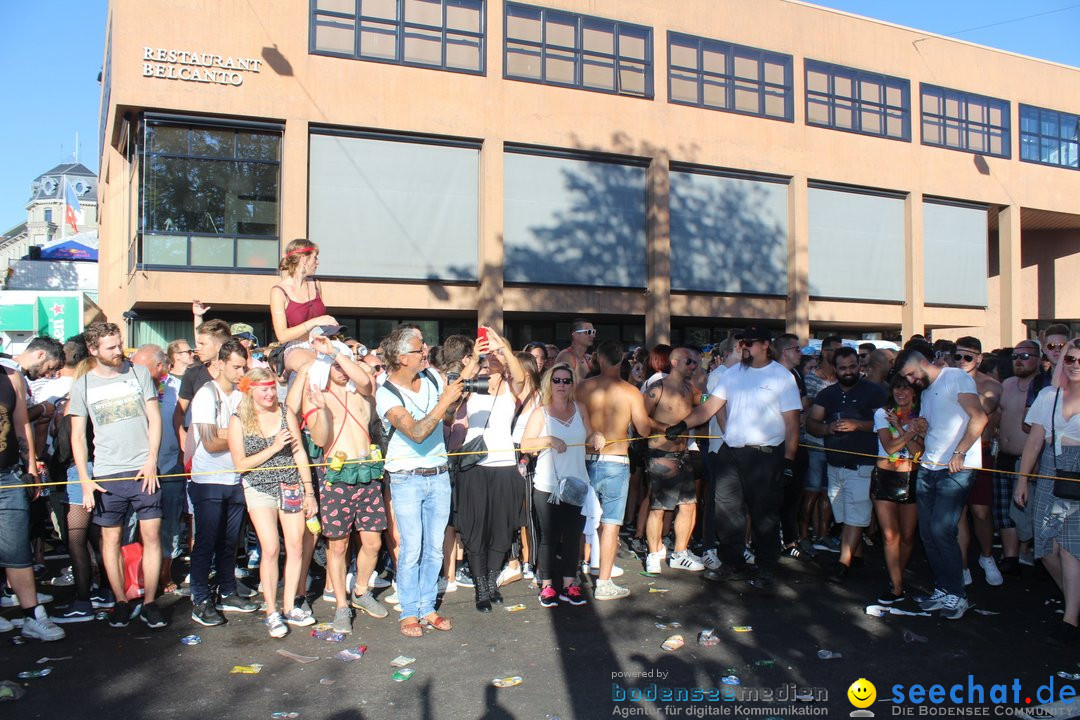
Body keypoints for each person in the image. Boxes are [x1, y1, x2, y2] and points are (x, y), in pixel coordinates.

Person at [668, 328, 800, 590]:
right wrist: (682, 424)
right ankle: (734, 562)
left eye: (749, 343)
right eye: (742, 343)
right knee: (726, 510)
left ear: (765, 344)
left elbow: (793, 424)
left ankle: (765, 569)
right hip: (731, 452)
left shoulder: (782, 376)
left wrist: (788, 462)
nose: (744, 347)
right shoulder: (732, 374)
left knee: (764, 515)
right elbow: (708, 408)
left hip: (766, 455)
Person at [69, 322, 166, 629]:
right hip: (107, 473)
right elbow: (77, 436)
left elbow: (154, 418)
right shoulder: (82, 384)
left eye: (119, 343)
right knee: (110, 540)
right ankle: (120, 601)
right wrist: (85, 477)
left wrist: (152, 460)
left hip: (144, 471)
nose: (118, 351)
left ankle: (150, 602)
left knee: (151, 536)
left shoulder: (138, 373)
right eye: (110, 347)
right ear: (93, 350)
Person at [376, 325, 463, 637]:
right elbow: (415, 431)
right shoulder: (386, 393)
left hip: (439, 474)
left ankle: (427, 607)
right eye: (418, 348)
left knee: (435, 548)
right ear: (402, 358)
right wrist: (444, 403)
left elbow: (447, 416)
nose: (425, 349)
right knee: (411, 548)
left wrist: (452, 398)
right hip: (406, 479)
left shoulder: (431, 378)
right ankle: (409, 611)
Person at [303, 337, 389, 634]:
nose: (340, 369)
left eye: (343, 363)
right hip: (338, 476)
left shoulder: (362, 392)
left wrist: (337, 353)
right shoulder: (318, 395)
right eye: (334, 365)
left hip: (367, 472)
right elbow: (319, 439)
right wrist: (321, 410)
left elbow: (365, 380)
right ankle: (341, 605)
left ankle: (362, 591)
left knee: (373, 542)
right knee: (337, 546)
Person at [897, 345, 988, 620]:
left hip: (955, 468)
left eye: (912, 374)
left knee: (941, 531)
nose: (911, 381)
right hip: (929, 466)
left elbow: (980, 417)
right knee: (928, 533)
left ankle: (957, 595)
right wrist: (924, 427)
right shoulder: (927, 391)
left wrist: (960, 452)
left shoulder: (955, 378)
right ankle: (943, 589)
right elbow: (940, 426)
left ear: (923, 362)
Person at [228, 367, 318, 638]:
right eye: (263, 389)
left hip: (290, 483)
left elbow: (300, 452)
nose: (270, 394)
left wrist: (309, 491)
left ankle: (290, 606)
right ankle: (271, 611)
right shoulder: (239, 420)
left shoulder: (285, 411)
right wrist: (274, 446)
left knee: (296, 545)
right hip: (258, 486)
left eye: (271, 388)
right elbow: (241, 465)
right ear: (250, 390)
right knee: (270, 547)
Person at [449, 327, 527, 612]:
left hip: (505, 466)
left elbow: (520, 376)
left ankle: (492, 580)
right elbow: (452, 392)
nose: (491, 357)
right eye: (488, 353)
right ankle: (480, 586)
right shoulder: (471, 383)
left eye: (496, 353)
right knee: (474, 529)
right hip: (474, 467)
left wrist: (503, 348)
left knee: (502, 529)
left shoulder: (510, 385)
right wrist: (475, 360)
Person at [1014, 338, 1080, 647]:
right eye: (1070, 359)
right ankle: (1074, 600)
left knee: (1069, 547)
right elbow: (1034, 442)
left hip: (1078, 474)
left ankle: (1070, 619)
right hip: (1051, 472)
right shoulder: (1048, 395)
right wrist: (1022, 481)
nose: (1075, 365)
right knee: (1046, 548)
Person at [521, 363, 604, 607]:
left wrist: (597, 436)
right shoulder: (540, 413)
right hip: (548, 485)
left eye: (566, 381)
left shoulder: (580, 408)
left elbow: (589, 437)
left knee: (572, 536)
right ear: (549, 383)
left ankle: (570, 584)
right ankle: (547, 585)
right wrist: (548, 439)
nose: (561, 385)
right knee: (549, 537)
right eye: (557, 380)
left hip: (577, 484)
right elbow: (526, 445)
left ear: (572, 384)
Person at [576, 340, 655, 598]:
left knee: (581, 519)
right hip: (615, 461)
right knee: (610, 524)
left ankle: (575, 574)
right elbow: (644, 429)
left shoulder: (582, 387)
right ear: (622, 360)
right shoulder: (630, 392)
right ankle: (604, 582)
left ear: (598, 359)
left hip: (584, 459)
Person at [188, 340, 257, 626]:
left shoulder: (242, 396)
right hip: (209, 480)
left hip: (236, 478)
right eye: (236, 367)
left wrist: (233, 433)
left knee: (231, 542)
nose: (242, 372)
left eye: (245, 367)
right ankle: (200, 597)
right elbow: (210, 441)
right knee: (206, 541)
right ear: (220, 364)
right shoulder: (207, 394)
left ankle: (227, 589)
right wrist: (241, 433)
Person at [807, 347, 887, 583]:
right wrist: (826, 428)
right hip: (834, 464)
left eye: (853, 366)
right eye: (843, 368)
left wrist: (857, 425)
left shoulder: (875, 392)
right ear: (836, 369)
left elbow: (889, 424)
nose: (849, 371)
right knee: (843, 514)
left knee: (856, 514)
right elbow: (812, 422)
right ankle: (857, 555)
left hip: (862, 465)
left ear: (859, 366)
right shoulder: (827, 394)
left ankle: (843, 563)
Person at [0, 360, 64, 641]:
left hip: (8, 476)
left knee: (17, 549)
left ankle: (32, 616)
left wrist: (30, 467)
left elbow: (21, 423)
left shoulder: (10, 377)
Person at [642, 347, 704, 574]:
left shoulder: (690, 388)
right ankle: (652, 553)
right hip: (660, 454)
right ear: (675, 362)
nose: (693, 366)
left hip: (683, 454)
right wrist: (663, 428)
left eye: (695, 362)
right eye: (690, 362)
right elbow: (640, 417)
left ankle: (680, 552)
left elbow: (705, 401)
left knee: (688, 505)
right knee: (658, 507)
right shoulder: (657, 388)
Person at [952, 337, 1004, 587]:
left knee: (981, 511)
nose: (962, 362)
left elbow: (987, 406)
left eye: (968, 357)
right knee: (958, 512)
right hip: (952, 451)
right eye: (957, 356)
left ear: (979, 359)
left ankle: (986, 556)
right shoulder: (948, 379)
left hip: (979, 451)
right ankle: (962, 566)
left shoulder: (989, 384)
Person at [871, 375, 925, 604]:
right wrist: (910, 431)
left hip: (911, 476)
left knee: (907, 536)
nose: (900, 393)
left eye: (906, 389)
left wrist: (902, 427)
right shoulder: (882, 413)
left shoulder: (921, 415)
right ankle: (897, 587)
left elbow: (918, 453)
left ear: (914, 392)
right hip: (885, 477)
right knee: (890, 535)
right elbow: (890, 446)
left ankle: (897, 575)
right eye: (896, 389)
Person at [997, 339, 1042, 573]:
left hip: (1028, 459)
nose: (1019, 361)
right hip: (1003, 456)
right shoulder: (1006, 384)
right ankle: (1010, 555)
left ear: (1038, 358)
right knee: (1004, 510)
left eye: (1025, 356)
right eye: (1015, 356)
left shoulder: (1043, 386)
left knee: (1027, 510)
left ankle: (1028, 552)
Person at [269, 238, 340, 376]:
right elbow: (282, 336)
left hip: (321, 344)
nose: (317, 262)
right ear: (303, 259)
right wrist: (315, 322)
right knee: (315, 367)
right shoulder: (279, 291)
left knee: (359, 368)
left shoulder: (316, 284)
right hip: (296, 347)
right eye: (315, 258)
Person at [804, 337, 841, 553]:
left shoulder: (842, 380)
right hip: (815, 442)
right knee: (812, 490)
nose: (837, 354)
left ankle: (822, 534)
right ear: (824, 352)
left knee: (828, 492)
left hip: (836, 444)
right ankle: (804, 534)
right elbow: (806, 411)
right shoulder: (810, 379)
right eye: (833, 350)